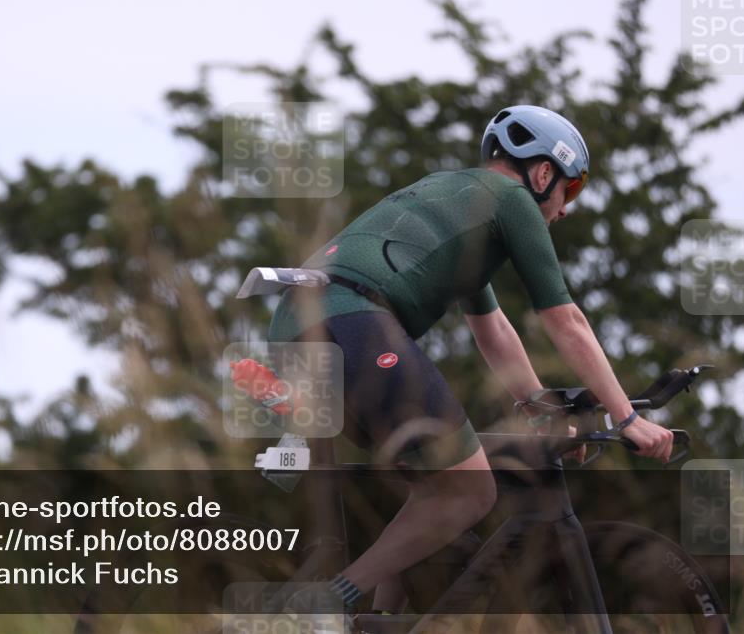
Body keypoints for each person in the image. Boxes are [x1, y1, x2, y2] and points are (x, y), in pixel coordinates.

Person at [264, 105, 676, 614]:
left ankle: (376, 621)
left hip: (293, 331)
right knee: (471, 492)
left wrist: (538, 406)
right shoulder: (511, 199)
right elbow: (565, 320)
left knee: (434, 490)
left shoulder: (457, 200)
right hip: (350, 324)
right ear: (544, 172)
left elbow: (493, 327)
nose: (565, 208)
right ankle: (327, 604)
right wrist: (628, 418)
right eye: (570, 189)